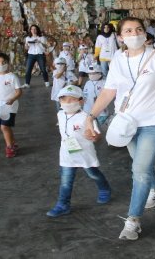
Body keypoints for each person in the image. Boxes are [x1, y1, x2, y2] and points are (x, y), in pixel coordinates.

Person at [84, 17, 155, 241]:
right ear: (120, 37)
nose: (134, 33)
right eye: (128, 31)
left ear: (145, 33)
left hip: (154, 122)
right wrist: (90, 116)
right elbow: (109, 91)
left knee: (139, 170)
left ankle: (133, 221)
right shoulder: (118, 59)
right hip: (126, 122)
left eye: (138, 29)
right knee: (142, 163)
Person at [46, 85, 112, 217]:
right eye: (64, 100)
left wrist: (93, 136)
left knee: (93, 174)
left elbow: (96, 134)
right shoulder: (60, 115)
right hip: (67, 155)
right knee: (66, 181)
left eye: (72, 100)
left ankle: (105, 189)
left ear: (81, 101)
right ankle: (63, 204)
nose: (67, 103)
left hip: (84, 154)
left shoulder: (86, 117)